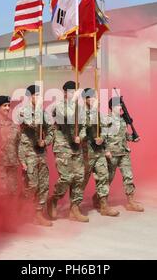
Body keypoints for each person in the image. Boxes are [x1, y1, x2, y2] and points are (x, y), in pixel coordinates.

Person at [47, 81, 89, 223]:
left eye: (74, 91)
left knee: (79, 177)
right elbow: (68, 116)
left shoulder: (81, 108)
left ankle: (74, 208)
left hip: (76, 146)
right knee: (66, 178)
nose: (72, 94)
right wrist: (75, 101)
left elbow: (84, 125)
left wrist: (81, 137)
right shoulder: (58, 106)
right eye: (70, 92)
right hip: (62, 145)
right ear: (65, 93)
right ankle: (54, 199)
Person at [18, 85, 53, 227]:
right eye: (36, 95)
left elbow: (51, 130)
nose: (38, 98)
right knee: (32, 185)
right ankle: (21, 207)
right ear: (30, 97)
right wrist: (38, 110)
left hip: (40, 152)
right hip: (28, 153)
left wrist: (45, 141)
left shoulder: (44, 113)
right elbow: (34, 125)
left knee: (43, 185)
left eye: (40, 95)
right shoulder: (23, 112)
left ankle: (38, 213)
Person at [81, 88, 119, 217]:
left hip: (99, 152)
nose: (93, 100)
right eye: (90, 98)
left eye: (94, 97)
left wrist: (103, 140)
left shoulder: (98, 114)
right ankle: (73, 206)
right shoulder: (80, 113)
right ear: (85, 99)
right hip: (86, 153)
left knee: (103, 177)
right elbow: (84, 127)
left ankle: (104, 205)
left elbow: (104, 129)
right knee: (81, 182)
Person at [105, 97, 144, 212]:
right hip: (112, 153)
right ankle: (100, 199)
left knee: (128, 176)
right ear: (112, 107)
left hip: (124, 152)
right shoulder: (107, 120)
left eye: (121, 105)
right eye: (118, 105)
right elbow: (103, 137)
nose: (120, 107)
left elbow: (125, 135)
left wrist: (133, 137)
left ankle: (130, 201)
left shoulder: (123, 120)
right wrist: (106, 150)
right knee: (108, 179)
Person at [0, 95, 20, 197]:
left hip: (12, 165)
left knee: (12, 192)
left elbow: (19, 145)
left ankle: (11, 213)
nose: (8, 108)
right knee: (0, 193)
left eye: (9, 105)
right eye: (5, 105)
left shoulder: (14, 126)